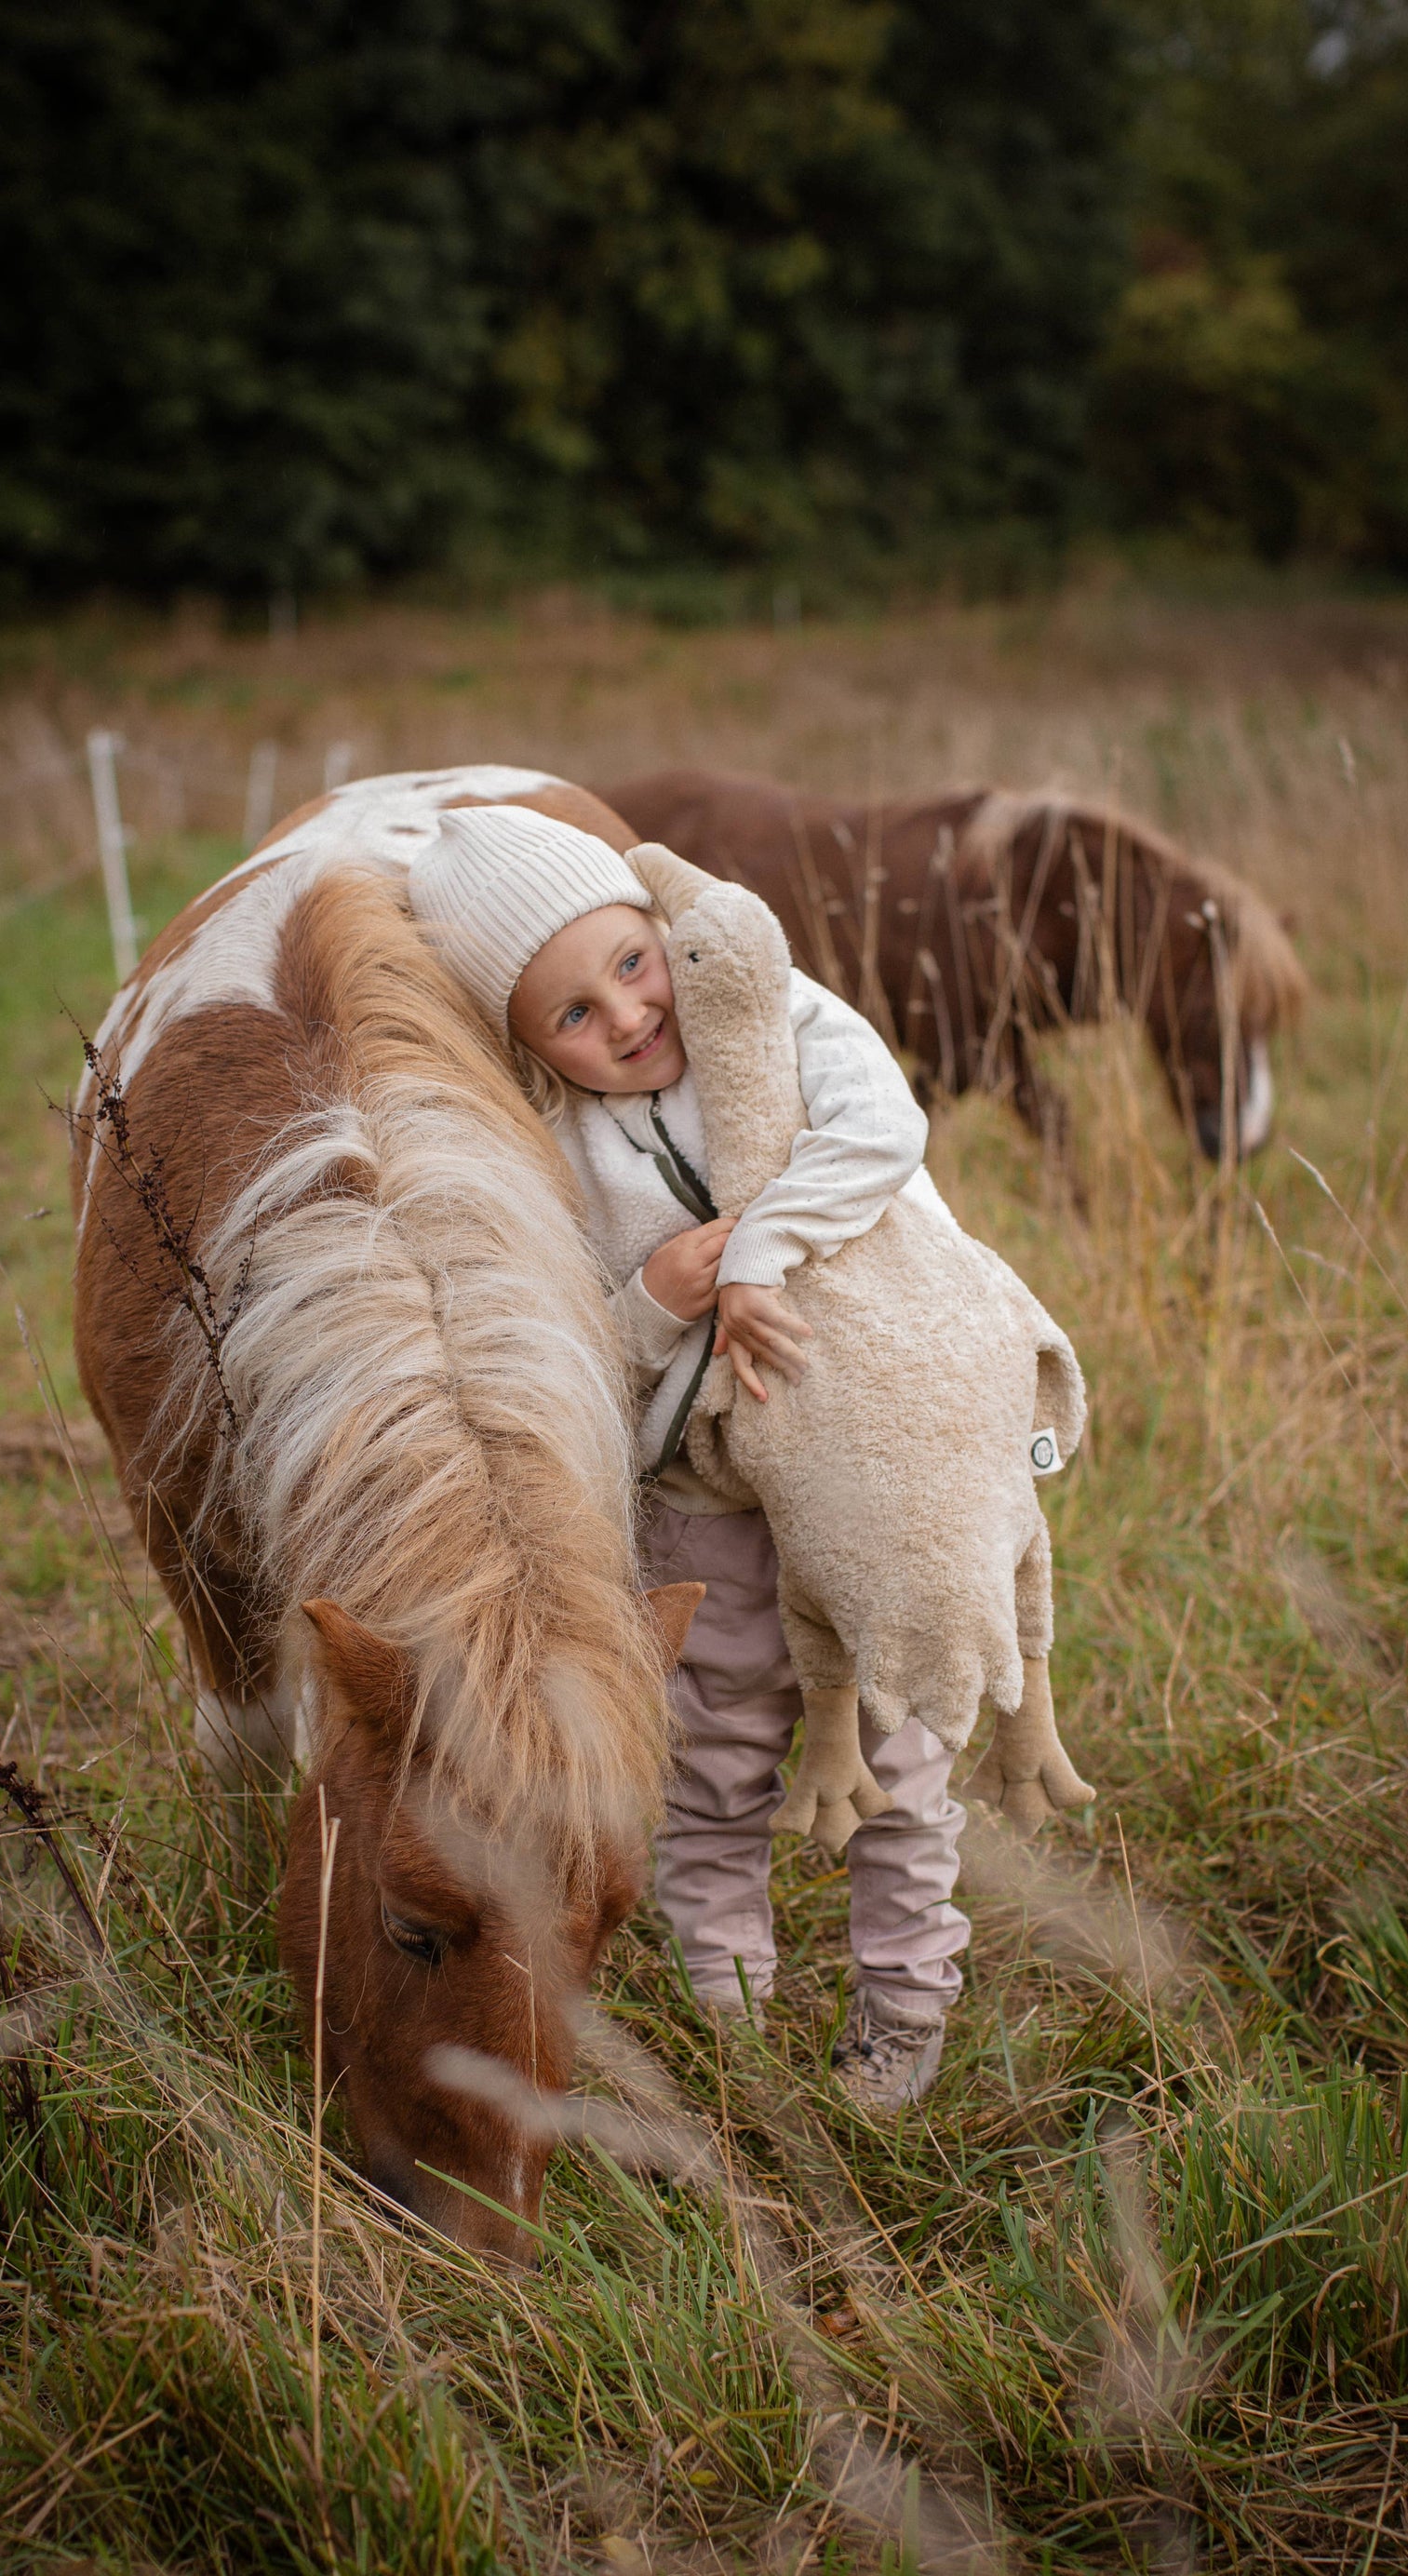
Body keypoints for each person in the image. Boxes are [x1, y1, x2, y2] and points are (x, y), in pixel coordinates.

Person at [408, 802, 970, 2111]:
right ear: (528, 1047)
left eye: (628, 964)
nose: (623, 1018)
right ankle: (732, 2006)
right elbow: (577, 1352)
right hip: (703, 1500)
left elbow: (885, 1135)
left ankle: (905, 1999)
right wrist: (659, 1294)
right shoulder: (561, 1149)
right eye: (571, 1018)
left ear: (659, 928)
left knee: (896, 1752)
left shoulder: (770, 1019)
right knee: (714, 1757)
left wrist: (761, 1250)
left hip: (863, 1469)